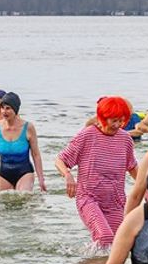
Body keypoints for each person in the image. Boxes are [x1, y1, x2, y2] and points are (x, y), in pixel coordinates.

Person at [56, 96, 138, 248]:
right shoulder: (87, 135)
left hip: (115, 202)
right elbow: (60, 160)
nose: (118, 125)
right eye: (114, 120)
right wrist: (68, 176)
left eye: (121, 120)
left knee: (117, 244)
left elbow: (132, 168)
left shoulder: (125, 139)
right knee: (104, 237)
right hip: (88, 198)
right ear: (103, 117)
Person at [0, 92, 46, 192]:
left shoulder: (28, 128)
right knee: (4, 204)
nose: (4, 111)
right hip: (3, 173)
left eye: (8, 108)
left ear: (15, 109)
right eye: (3, 108)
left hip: (24, 172)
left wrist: (41, 179)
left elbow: (36, 155)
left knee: (23, 199)